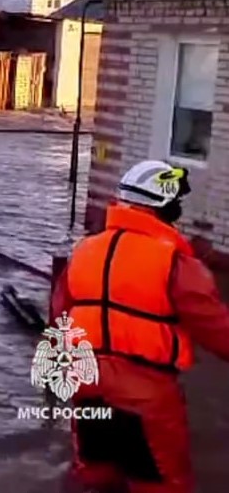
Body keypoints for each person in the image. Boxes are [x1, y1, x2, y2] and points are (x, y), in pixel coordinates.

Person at [50, 160, 229, 493]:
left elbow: (58, 322)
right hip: (146, 399)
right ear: (162, 204)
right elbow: (219, 330)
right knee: (161, 485)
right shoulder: (176, 264)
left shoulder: (84, 251)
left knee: (95, 479)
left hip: (87, 390)